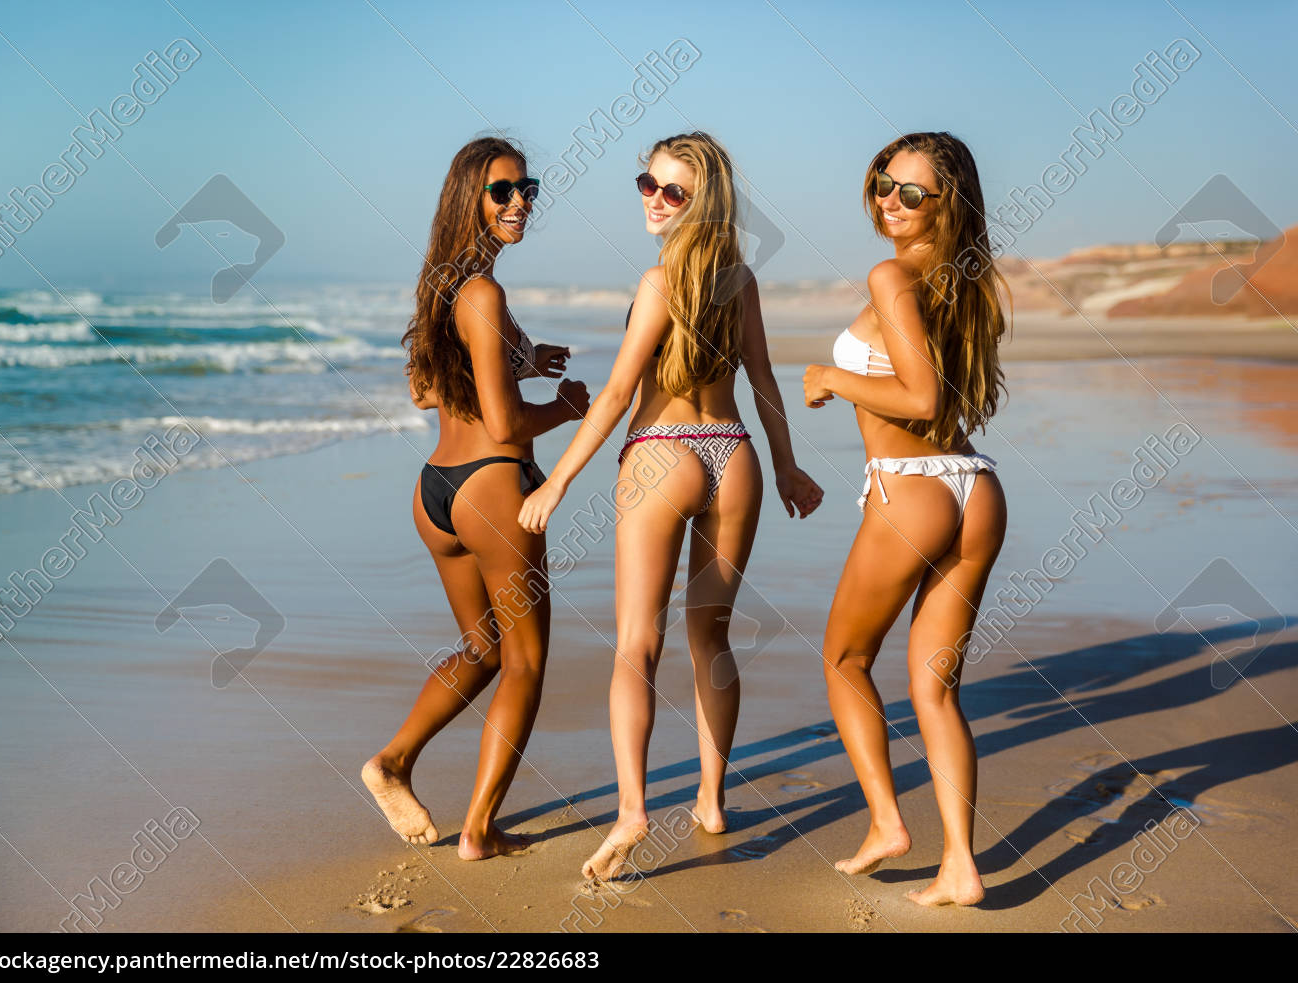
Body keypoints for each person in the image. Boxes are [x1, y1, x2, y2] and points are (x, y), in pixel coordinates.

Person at [519, 132, 823, 881]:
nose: (654, 199)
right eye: (646, 184)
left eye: (672, 190)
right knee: (710, 640)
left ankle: (631, 811)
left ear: (702, 201)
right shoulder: (741, 280)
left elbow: (620, 394)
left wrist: (556, 482)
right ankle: (712, 799)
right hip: (733, 456)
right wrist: (786, 467)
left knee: (635, 645)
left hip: (661, 451)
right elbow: (764, 382)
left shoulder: (659, 283)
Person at [363, 136, 589, 860]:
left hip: (436, 494)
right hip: (495, 491)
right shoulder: (485, 291)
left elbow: (427, 387)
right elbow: (504, 422)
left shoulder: (443, 284)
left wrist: (524, 356)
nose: (520, 201)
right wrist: (565, 405)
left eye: (528, 189)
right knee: (523, 663)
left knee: (481, 646)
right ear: (471, 198)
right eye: (503, 191)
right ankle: (480, 830)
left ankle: (392, 760)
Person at [802, 131, 1009, 906]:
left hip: (911, 488)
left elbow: (921, 401)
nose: (891, 201)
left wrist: (831, 378)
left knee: (844, 660)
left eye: (912, 193)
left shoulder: (891, 275)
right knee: (936, 690)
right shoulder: (965, 282)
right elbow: (943, 401)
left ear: (944, 204)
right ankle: (961, 864)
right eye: (883, 183)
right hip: (975, 488)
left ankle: (888, 822)